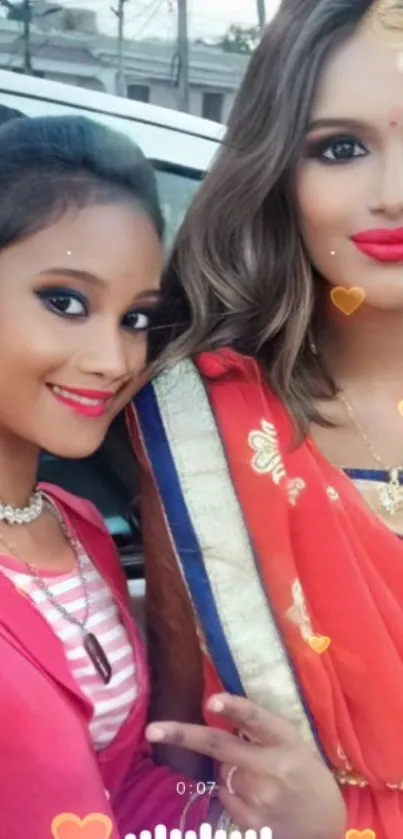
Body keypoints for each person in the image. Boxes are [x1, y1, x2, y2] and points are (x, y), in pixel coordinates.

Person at [129, 0, 403, 837]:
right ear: (279, 169)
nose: (391, 194)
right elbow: (180, 751)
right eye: (340, 148)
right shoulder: (200, 424)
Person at [0, 112, 238, 839]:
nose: (114, 360)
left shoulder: (75, 527)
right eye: (65, 301)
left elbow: (115, 785)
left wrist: (251, 821)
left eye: (136, 318)